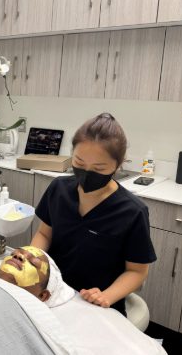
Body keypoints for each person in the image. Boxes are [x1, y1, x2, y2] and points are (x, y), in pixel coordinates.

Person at [31, 113, 156, 316]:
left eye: (99, 168)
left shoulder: (132, 212)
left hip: (96, 306)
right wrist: (32, 259)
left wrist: (106, 296)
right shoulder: (58, 189)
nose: (87, 173)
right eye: (79, 163)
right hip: (51, 293)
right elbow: (44, 234)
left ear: (118, 165)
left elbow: (137, 271)